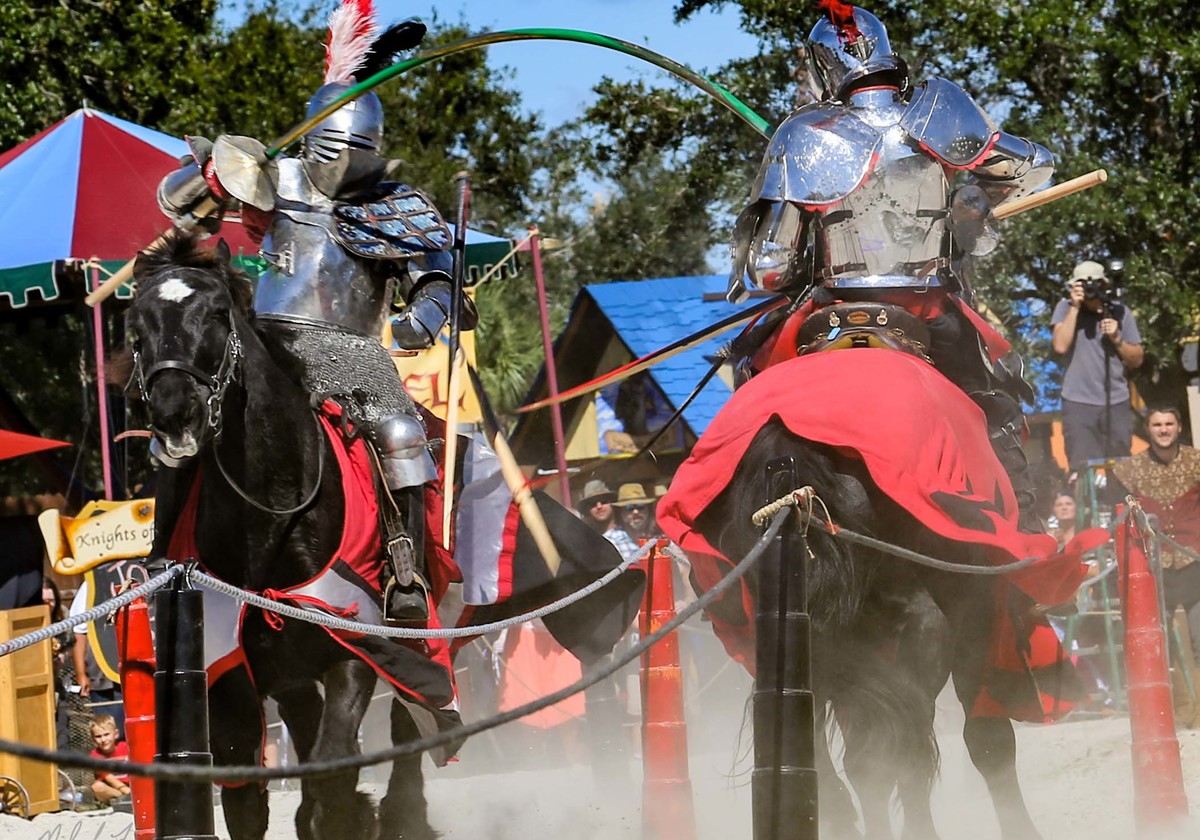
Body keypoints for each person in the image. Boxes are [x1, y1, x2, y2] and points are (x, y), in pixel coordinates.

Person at [154, 5, 472, 622]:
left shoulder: (396, 205)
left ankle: (402, 565)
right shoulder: (275, 178)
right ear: (311, 134)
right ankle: (165, 553)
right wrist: (217, 178)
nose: (344, 153)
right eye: (336, 139)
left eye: (358, 144)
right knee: (182, 406)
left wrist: (422, 320)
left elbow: (439, 280)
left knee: (402, 432)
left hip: (352, 350)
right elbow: (181, 205)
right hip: (264, 338)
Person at [724, 2, 1052, 532]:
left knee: (751, 386)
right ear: (885, 54)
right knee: (993, 399)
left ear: (824, 66)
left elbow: (766, 272)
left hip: (835, 308)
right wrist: (978, 191)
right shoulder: (941, 112)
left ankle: (742, 525)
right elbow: (1036, 166)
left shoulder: (802, 133)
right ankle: (1028, 535)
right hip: (929, 307)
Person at [1111, 406, 1200, 668]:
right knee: (1161, 644)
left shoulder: (1197, 461)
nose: (1163, 430)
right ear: (1148, 429)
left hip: (1195, 563)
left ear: (1179, 427)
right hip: (1155, 566)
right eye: (1157, 425)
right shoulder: (1129, 470)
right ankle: (1177, 705)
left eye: (1169, 424)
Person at [1051, 260, 1144, 481]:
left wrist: (1117, 338)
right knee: (1081, 470)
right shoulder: (1065, 308)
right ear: (1073, 287)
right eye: (1083, 285)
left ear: (1105, 285)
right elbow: (1060, 346)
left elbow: (1137, 359)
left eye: (1095, 285)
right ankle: (1086, 513)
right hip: (1078, 401)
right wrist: (1075, 307)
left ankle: (1120, 511)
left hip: (1117, 400)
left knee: (1122, 467)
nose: (1091, 290)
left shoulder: (1120, 312)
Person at [69, 580, 125, 741]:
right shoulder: (93, 582)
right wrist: (81, 673)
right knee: (109, 734)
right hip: (102, 674)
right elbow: (78, 630)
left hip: (138, 669)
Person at [578, 479, 640, 564]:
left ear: (612, 504)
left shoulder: (625, 535)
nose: (599, 506)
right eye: (593, 503)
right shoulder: (587, 542)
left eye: (604, 501)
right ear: (587, 510)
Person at [87, 714, 130, 804]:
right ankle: (124, 798)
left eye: (106, 734)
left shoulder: (126, 747)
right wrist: (126, 791)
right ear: (93, 739)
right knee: (97, 787)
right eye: (98, 736)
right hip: (112, 788)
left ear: (116, 734)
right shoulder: (95, 756)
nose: (103, 739)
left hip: (131, 785)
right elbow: (109, 778)